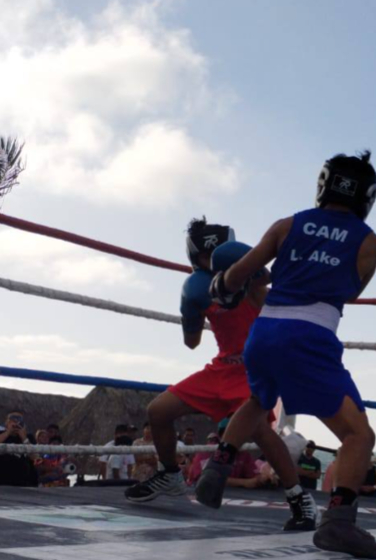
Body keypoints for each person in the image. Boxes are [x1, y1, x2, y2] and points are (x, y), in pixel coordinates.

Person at [198, 151, 376, 559]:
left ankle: (217, 468)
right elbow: (350, 291)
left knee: (259, 399)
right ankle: (338, 523)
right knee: (360, 435)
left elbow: (232, 279)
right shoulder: (372, 243)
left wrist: (223, 286)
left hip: (263, 332)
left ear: (324, 184)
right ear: (368, 195)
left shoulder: (287, 225)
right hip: (310, 336)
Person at [127, 219, 317, 531]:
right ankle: (171, 475)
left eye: (219, 254)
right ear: (196, 258)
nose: (213, 262)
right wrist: (191, 309)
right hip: (220, 368)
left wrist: (251, 280)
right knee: (158, 411)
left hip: (253, 368)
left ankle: (299, 499)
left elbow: (274, 305)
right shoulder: (199, 288)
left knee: (261, 432)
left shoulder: (253, 283)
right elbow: (191, 343)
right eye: (206, 256)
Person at [0, 411, 39, 487]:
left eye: (19, 419)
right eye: (12, 419)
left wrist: (24, 438)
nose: (16, 422)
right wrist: (8, 432)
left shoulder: (29, 437)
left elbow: (35, 458)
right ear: (6, 422)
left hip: (23, 483)